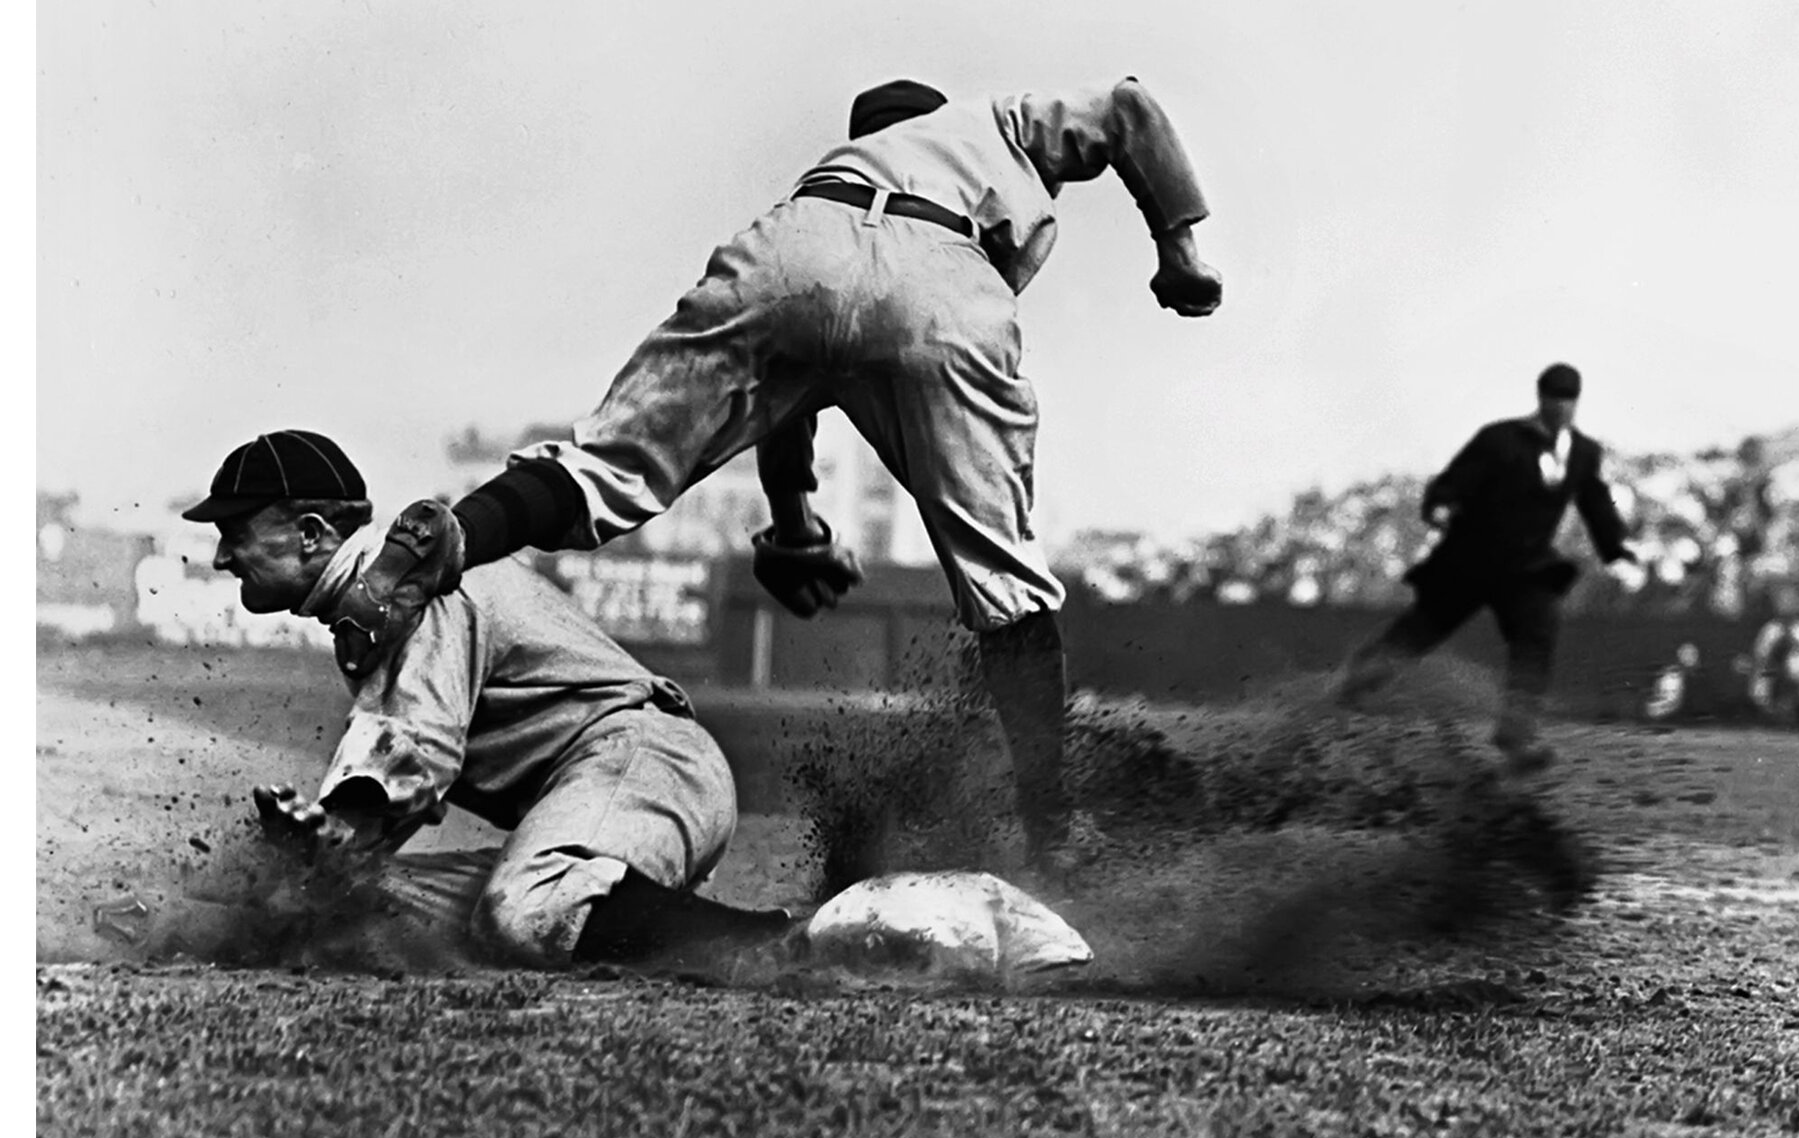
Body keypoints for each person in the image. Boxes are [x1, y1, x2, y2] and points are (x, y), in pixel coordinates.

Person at [327, 77, 1222, 875]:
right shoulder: (995, 121)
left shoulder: (831, 172)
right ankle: (1053, 827)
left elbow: (787, 392)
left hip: (789, 256)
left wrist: (794, 526)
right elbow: (1132, 107)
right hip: (944, 281)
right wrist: (1178, 247)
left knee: (605, 465)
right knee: (1007, 583)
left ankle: (457, 532)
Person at [189, 429, 793, 968]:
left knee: (525, 912)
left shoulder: (418, 589)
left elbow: (417, 751)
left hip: (644, 763)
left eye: (236, 532)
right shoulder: (377, 605)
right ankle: (620, 906)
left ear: (311, 534)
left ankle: (784, 946)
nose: (221, 555)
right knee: (354, 907)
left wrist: (335, 835)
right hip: (597, 800)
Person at [1339, 363, 1639, 768]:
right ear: (1541, 398)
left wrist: (1617, 548)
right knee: (1421, 628)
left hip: (1525, 569)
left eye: (1568, 400)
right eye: (1554, 398)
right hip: (1471, 559)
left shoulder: (1583, 453)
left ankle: (1516, 735)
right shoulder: (1501, 439)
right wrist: (1442, 505)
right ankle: (1353, 685)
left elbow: (1595, 502)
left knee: (1538, 631)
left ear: (1576, 403)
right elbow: (1454, 479)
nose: (1561, 407)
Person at [1748, 600, 1799, 737]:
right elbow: (1761, 654)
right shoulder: (1771, 628)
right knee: (1759, 690)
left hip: (1797, 672)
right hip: (1772, 671)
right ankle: (1762, 724)